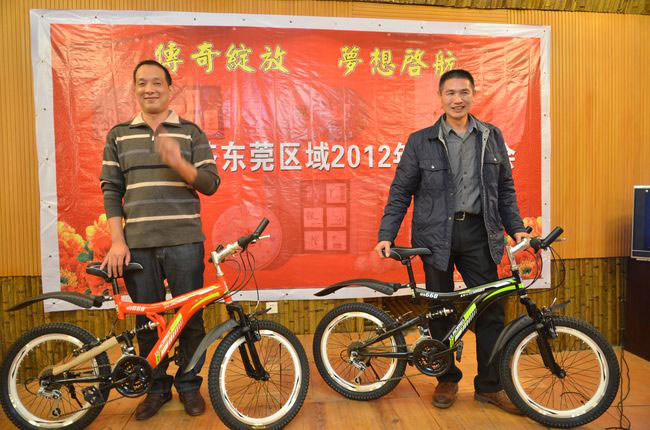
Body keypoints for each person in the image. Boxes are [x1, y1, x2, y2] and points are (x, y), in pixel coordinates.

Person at [374, 69, 529, 414]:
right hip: (434, 236)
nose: (457, 99)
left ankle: (490, 386)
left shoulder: (491, 135)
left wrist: (516, 227)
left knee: (490, 310)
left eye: (463, 92)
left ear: (473, 94)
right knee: (440, 311)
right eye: (450, 93)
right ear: (440, 97)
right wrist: (386, 234)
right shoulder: (421, 141)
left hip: (479, 233)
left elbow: (505, 189)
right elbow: (400, 191)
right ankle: (446, 379)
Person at [99, 60, 220, 420]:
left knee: (190, 319)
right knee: (148, 323)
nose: (149, 89)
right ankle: (156, 388)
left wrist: (179, 163)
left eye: (156, 83)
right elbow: (111, 190)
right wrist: (118, 242)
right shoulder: (119, 135)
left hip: (185, 241)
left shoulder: (191, 132)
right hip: (138, 244)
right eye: (142, 83)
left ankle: (189, 386)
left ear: (169, 89)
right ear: (134, 89)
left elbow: (211, 183)